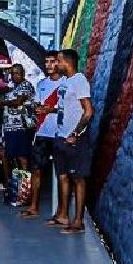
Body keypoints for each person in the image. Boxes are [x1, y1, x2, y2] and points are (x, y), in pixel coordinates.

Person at [47, 48, 94, 234]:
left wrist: (76, 133)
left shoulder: (80, 81)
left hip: (74, 140)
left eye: (57, 60)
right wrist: (47, 111)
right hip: (60, 137)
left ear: (67, 62)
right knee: (63, 176)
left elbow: (88, 111)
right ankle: (63, 215)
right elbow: (64, 108)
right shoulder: (66, 82)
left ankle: (78, 222)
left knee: (78, 179)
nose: (55, 64)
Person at [20, 50, 63, 219]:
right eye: (47, 62)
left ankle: (61, 211)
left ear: (59, 63)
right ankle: (33, 206)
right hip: (43, 133)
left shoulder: (67, 84)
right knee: (36, 169)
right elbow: (37, 104)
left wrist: (51, 109)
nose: (49, 65)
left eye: (53, 62)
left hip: (60, 133)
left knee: (62, 174)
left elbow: (73, 108)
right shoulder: (41, 84)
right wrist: (37, 108)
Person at [0, 63, 36, 203]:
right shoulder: (14, 88)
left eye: (17, 73)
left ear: (23, 73)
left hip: (21, 128)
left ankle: (24, 193)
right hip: (10, 128)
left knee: (22, 158)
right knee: (8, 156)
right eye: (13, 73)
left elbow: (18, 102)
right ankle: (13, 189)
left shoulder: (26, 86)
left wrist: (0, 103)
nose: (14, 76)